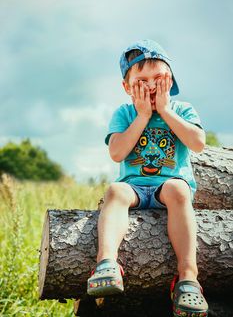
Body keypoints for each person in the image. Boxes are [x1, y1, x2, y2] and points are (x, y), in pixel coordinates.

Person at [87, 39, 208, 316]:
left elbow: (198, 143)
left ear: (171, 81)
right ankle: (106, 264)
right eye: (142, 81)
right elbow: (117, 153)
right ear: (127, 88)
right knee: (114, 191)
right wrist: (142, 116)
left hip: (169, 185)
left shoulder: (182, 110)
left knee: (179, 191)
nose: (151, 86)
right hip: (134, 188)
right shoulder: (125, 113)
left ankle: (188, 277)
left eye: (159, 79)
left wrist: (164, 110)